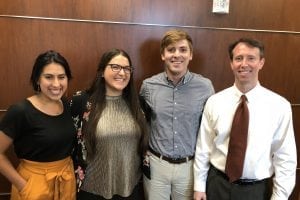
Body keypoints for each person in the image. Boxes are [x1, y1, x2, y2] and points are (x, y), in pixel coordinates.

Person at [193, 38, 297, 200]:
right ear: (231, 63)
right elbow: (203, 147)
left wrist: (280, 197)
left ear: (261, 62)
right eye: (238, 58)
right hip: (217, 184)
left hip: (256, 190)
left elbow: (285, 157)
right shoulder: (215, 101)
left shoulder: (279, 106)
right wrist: (199, 186)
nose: (244, 64)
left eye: (251, 58)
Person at [139, 29, 215, 200]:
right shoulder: (148, 86)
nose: (177, 55)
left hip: (189, 167)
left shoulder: (205, 87)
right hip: (156, 165)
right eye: (171, 50)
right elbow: (143, 123)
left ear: (191, 55)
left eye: (182, 49)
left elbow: (209, 130)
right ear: (163, 55)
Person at [70, 48, 148, 200]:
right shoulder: (82, 102)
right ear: (101, 71)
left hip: (131, 187)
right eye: (115, 67)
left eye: (127, 68)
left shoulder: (138, 103)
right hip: (92, 188)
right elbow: (70, 141)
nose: (122, 73)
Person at [0, 50, 76, 200]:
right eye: (49, 77)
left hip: (65, 181)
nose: (56, 84)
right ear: (37, 80)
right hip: (33, 185)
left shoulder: (67, 105)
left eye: (61, 77)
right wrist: (24, 186)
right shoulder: (20, 111)